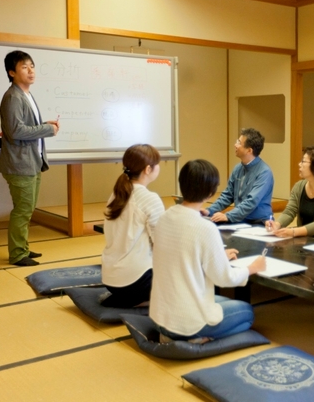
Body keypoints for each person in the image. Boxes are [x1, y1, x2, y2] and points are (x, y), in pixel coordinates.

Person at [151, 159, 266, 344]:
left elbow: (184, 254)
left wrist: (218, 257)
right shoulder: (205, 227)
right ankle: (195, 338)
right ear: (211, 192)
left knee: (219, 301)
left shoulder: (165, 217)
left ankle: (176, 334)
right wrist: (252, 268)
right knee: (247, 312)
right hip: (186, 323)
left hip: (160, 317)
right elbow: (224, 278)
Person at [0, 50, 59, 266]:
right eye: (24, 67)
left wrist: (44, 126)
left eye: (32, 65)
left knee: (27, 209)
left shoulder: (26, 95)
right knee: (22, 210)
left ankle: (22, 248)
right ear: (12, 72)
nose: (31, 70)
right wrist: (46, 129)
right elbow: (16, 132)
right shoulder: (13, 97)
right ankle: (17, 254)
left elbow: (27, 127)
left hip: (32, 161)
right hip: (19, 164)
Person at [100, 144, 164, 308]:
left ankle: (132, 299)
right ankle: (143, 301)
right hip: (136, 282)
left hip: (110, 279)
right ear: (148, 169)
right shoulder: (150, 198)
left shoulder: (116, 193)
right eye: (157, 164)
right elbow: (163, 244)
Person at [265, 146, 314, 240]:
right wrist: (277, 224)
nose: (299, 164)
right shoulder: (299, 186)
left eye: (303, 161)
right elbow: (289, 211)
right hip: (306, 241)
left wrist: (293, 232)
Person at [201, 128, 274, 224]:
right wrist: (209, 211)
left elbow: (251, 202)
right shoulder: (238, 168)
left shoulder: (265, 172)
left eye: (239, 143)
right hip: (240, 219)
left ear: (249, 150)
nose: (235, 145)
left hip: (259, 222)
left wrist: (228, 215)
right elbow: (227, 195)